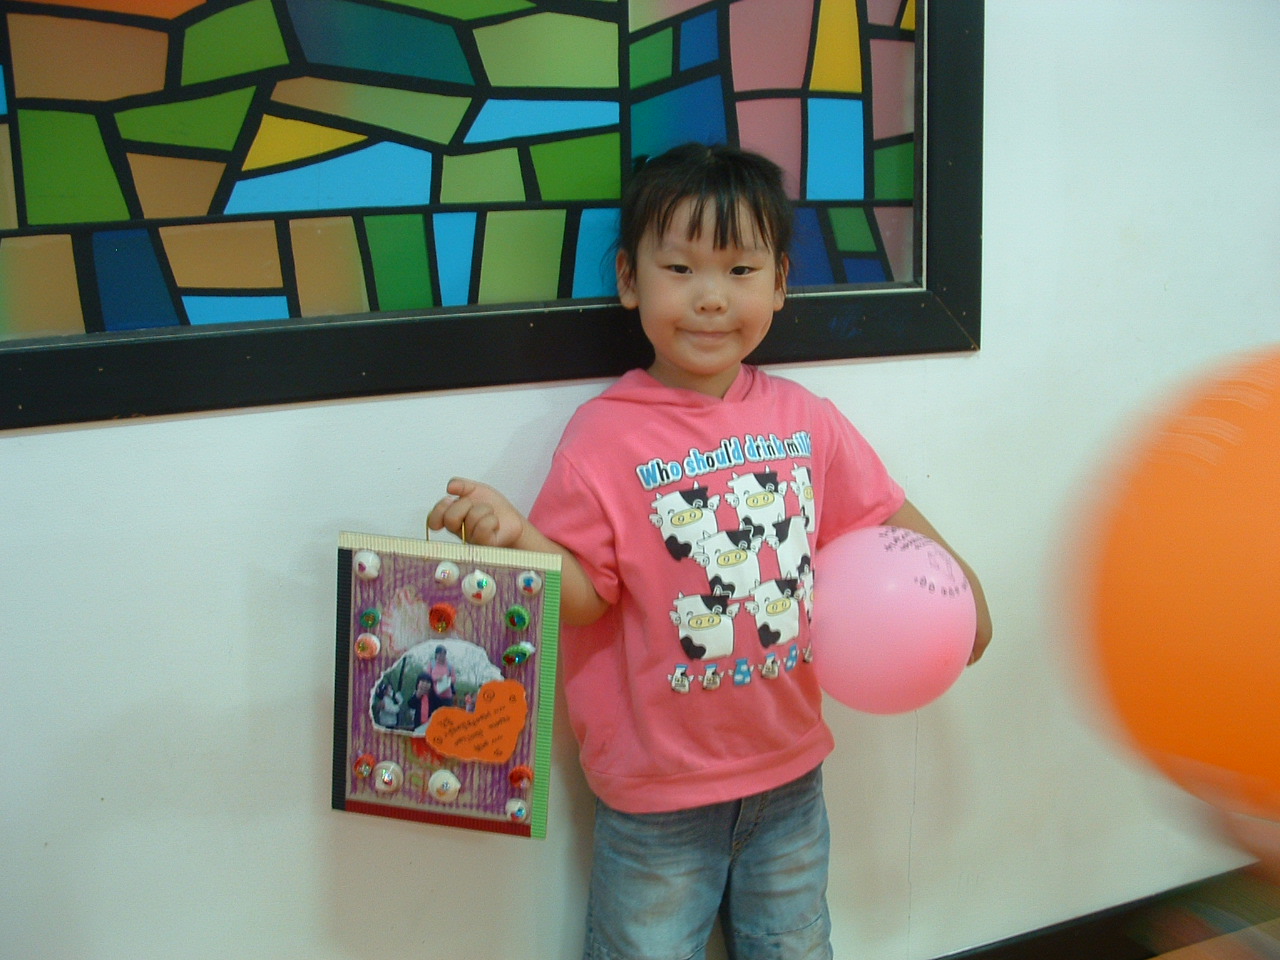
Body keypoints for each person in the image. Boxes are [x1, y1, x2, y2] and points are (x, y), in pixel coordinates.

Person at [428, 142, 993, 960]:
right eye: (680, 268)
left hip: (791, 774)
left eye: (739, 270)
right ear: (630, 279)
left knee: (796, 947)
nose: (710, 297)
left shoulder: (804, 418)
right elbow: (585, 597)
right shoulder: (602, 437)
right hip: (656, 796)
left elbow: (880, 514)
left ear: (779, 284)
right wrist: (517, 538)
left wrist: (958, 585)